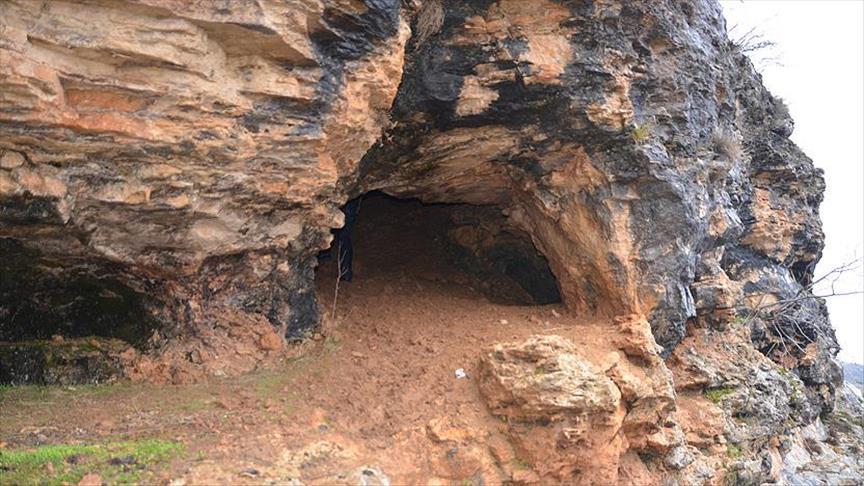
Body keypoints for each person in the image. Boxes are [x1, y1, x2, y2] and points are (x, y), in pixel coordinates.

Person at [319, 197, 361, 281]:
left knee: (328, 230)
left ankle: (325, 259)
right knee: (343, 236)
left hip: (341, 204)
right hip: (350, 204)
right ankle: (345, 272)